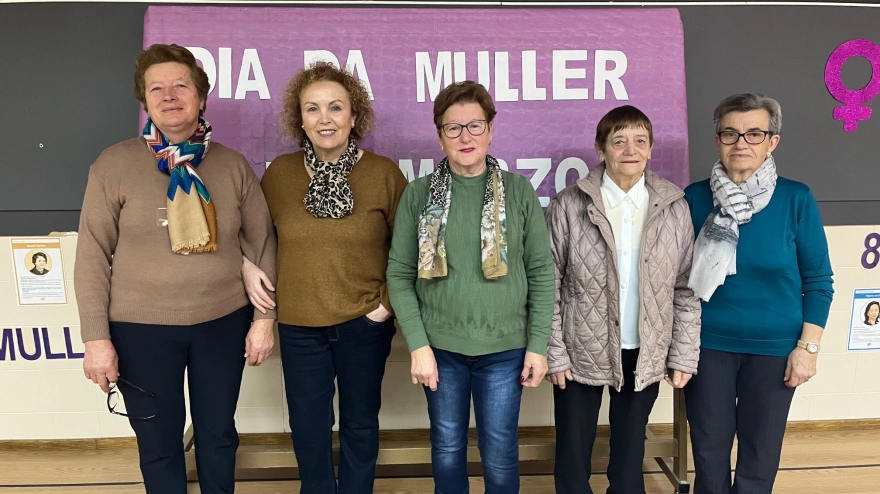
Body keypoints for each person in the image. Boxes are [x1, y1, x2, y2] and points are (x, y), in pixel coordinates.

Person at [75, 44, 277, 494]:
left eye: (181, 85)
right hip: (139, 329)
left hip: (222, 323)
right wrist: (95, 339)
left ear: (201, 97)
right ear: (144, 101)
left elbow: (260, 243)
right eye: (156, 88)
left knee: (218, 436)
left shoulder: (232, 165)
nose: (169, 96)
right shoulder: (114, 165)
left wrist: (264, 320)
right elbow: (92, 253)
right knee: (159, 444)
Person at [242, 63, 408, 494]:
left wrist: (384, 306)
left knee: (359, 423)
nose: (325, 118)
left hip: (363, 323)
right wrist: (247, 266)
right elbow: (260, 240)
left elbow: (409, 249)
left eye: (336, 107)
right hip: (299, 325)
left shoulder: (384, 173)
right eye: (313, 109)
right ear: (300, 119)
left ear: (355, 116)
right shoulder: (279, 174)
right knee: (309, 428)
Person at [386, 80, 555, 494]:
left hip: (505, 349)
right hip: (440, 351)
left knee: (499, 452)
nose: (465, 137)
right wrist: (419, 345)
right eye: (453, 128)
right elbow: (399, 274)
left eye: (475, 125)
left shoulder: (518, 191)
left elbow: (541, 271)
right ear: (439, 135)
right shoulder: (419, 195)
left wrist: (537, 345)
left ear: (491, 130)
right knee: (446, 448)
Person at [545, 105, 701, 494]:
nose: (630, 150)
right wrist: (554, 353)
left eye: (640, 141)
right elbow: (546, 283)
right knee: (573, 455)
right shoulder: (570, 204)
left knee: (630, 458)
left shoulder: (674, 207)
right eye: (619, 141)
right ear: (601, 150)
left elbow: (685, 289)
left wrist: (682, 354)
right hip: (580, 350)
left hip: (644, 352)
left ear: (650, 149)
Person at [684, 93, 834, 494]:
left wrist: (809, 349)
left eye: (754, 133)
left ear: (773, 141)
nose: (741, 143)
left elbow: (819, 281)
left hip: (775, 350)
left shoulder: (795, 198)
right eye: (730, 133)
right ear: (717, 139)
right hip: (708, 346)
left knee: (760, 453)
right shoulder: (694, 198)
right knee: (709, 449)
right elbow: (677, 279)